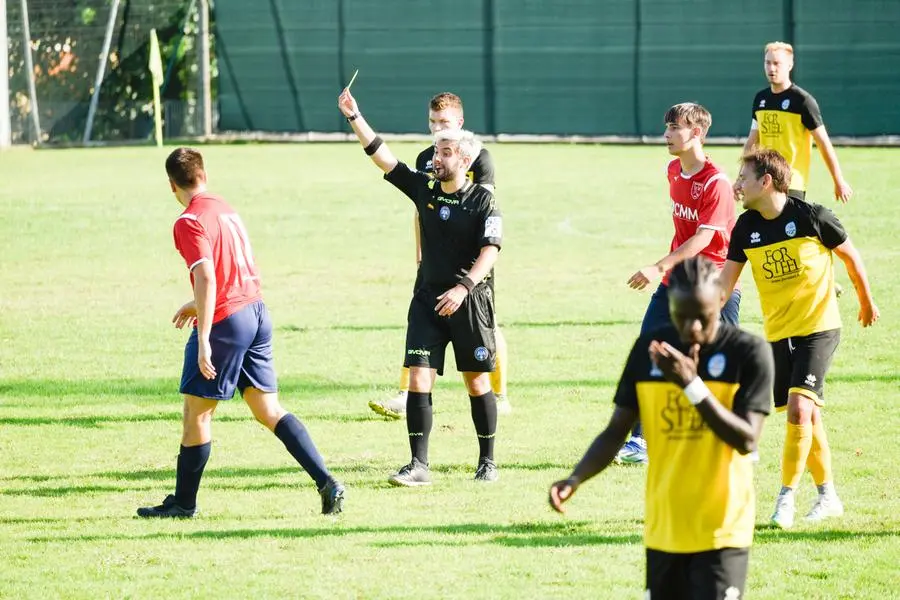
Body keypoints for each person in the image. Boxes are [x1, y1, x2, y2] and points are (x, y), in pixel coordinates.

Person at [137, 147, 345, 518]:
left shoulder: (188, 220)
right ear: (204, 175)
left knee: (196, 413)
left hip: (224, 321)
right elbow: (227, 265)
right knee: (268, 409)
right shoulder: (224, 207)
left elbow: (206, 274)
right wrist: (196, 303)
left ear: (172, 185)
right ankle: (326, 481)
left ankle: (184, 504)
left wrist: (203, 337)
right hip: (255, 311)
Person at [549, 257, 774, 599]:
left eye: (704, 317)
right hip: (664, 529)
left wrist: (692, 385)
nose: (693, 328)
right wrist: (575, 478)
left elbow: (746, 438)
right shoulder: (649, 351)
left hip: (723, 530)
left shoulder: (748, 353)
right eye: (682, 317)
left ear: (721, 301)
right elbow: (615, 431)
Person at [338, 88, 503, 485]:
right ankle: (419, 465)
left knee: (477, 381)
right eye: (435, 150)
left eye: (445, 152)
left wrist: (463, 288)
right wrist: (354, 116)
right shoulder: (424, 188)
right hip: (428, 299)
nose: (436, 158)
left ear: (464, 160)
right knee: (417, 377)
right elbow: (384, 158)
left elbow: (491, 250)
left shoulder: (484, 201)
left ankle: (487, 461)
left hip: (469, 301)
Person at [720, 148, 879, 529]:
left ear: (766, 181)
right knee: (807, 420)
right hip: (778, 332)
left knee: (799, 409)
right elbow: (725, 283)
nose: (737, 184)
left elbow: (851, 258)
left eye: (744, 177)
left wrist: (866, 302)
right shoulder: (745, 228)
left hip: (819, 327)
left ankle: (785, 499)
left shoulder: (811, 216)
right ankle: (828, 497)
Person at [368, 92, 511, 420]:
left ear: (460, 123)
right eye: (432, 122)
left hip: (473, 266)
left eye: (444, 123)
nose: (437, 128)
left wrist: (472, 274)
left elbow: (480, 211)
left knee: (489, 327)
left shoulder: (480, 159)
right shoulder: (427, 158)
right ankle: (407, 394)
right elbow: (422, 209)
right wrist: (420, 251)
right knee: (422, 322)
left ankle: (499, 394)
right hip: (435, 261)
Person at [617, 102, 742, 465]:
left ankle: (728, 434)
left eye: (675, 128)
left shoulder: (715, 183)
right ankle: (640, 439)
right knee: (650, 348)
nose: (667, 134)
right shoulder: (674, 170)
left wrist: (659, 265)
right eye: (667, 127)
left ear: (697, 134)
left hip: (715, 285)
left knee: (719, 364)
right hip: (678, 280)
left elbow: (704, 239)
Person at [743, 41, 853, 203]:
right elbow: (751, 142)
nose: (771, 68)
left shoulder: (803, 101)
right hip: (763, 179)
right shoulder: (761, 99)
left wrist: (838, 180)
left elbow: (823, 143)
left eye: (776, 63)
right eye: (767, 63)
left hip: (791, 182)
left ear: (789, 65)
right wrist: (741, 177)